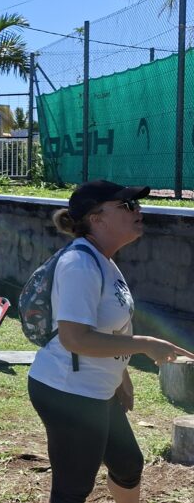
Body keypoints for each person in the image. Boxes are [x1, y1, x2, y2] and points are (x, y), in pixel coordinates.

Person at [28, 180, 194, 503]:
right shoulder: (79, 264)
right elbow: (74, 338)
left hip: (96, 388)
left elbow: (112, 328)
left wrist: (121, 375)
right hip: (69, 392)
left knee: (127, 464)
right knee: (72, 489)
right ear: (97, 218)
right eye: (127, 205)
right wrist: (145, 343)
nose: (138, 210)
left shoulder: (103, 260)